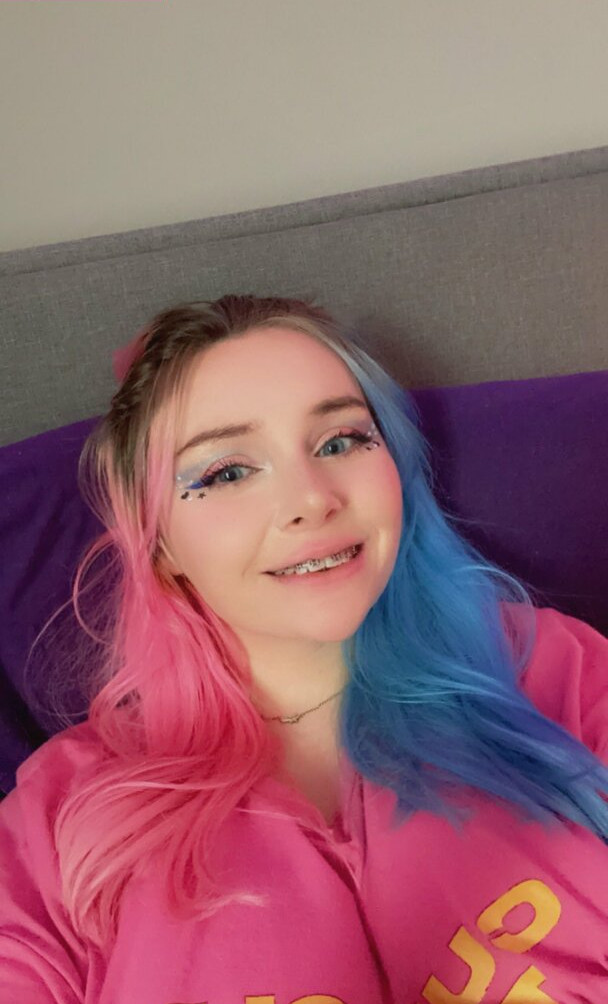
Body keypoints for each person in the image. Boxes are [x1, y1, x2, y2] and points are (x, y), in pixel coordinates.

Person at [0, 294, 606, 1004]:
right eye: (227, 472)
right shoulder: (63, 818)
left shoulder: (555, 672)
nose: (313, 499)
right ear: (159, 544)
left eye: (341, 441)